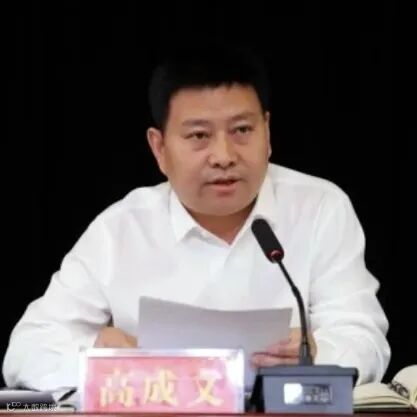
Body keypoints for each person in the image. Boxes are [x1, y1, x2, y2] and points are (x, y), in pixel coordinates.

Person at [2, 43, 390, 391]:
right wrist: (106, 363)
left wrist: (316, 353)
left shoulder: (319, 207)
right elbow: (26, 351)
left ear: (268, 132)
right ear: (159, 148)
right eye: (199, 136)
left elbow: (364, 336)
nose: (223, 156)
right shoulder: (120, 229)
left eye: (242, 130)